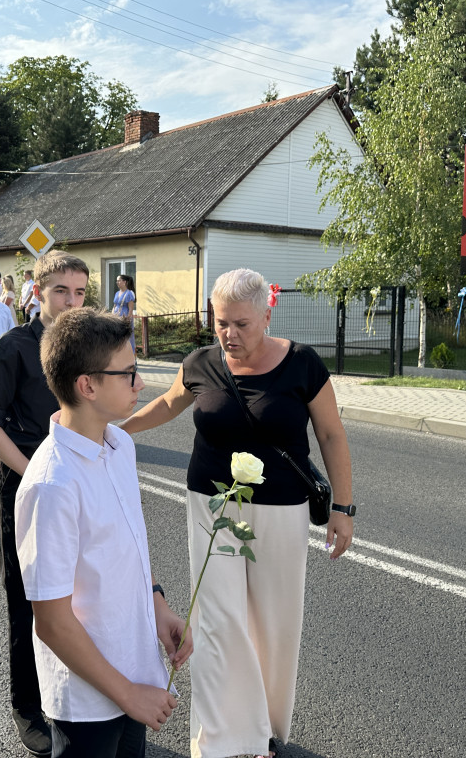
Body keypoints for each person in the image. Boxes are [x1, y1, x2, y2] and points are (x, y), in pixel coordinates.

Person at [120, 268, 354, 758]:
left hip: (281, 510)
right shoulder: (202, 362)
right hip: (210, 503)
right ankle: (221, 739)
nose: (228, 334)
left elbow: (332, 434)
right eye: (220, 321)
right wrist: (115, 429)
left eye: (241, 324)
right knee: (217, 620)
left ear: (268, 315)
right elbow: (167, 403)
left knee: (274, 623)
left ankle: (265, 732)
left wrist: (343, 508)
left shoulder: (303, 365)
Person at [16, 307, 192, 758]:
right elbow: (52, 622)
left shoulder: (119, 444)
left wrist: (159, 608)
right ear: (87, 385)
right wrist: (126, 693)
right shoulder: (52, 484)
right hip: (89, 696)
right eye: (129, 374)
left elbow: (128, 548)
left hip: (133, 666)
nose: (141, 384)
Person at [0, 250, 90, 757]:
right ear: (37, 290)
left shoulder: (87, 347)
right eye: (62, 290)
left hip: (76, 485)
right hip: (25, 486)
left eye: (81, 292)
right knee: (27, 602)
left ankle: (74, 695)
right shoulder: (13, 347)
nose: (72, 301)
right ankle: (28, 705)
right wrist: (37, 477)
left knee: (78, 597)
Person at [111, 274, 137, 353]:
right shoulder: (117, 293)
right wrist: (111, 316)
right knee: (117, 337)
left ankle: (132, 357)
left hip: (125, 318)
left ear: (124, 282)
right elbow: (114, 305)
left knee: (127, 338)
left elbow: (131, 308)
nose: (117, 282)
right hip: (116, 317)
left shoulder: (129, 293)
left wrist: (128, 319)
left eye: (119, 280)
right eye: (117, 281)